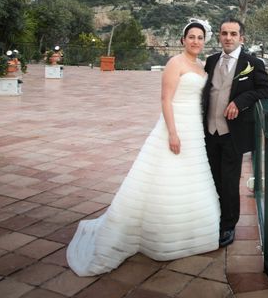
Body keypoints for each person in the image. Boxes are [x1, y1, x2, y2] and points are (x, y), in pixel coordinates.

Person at [67, 19, 219, 276]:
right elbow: (165, 99)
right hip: (176, 124)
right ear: (183, 40)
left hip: (194, 129)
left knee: (188, 177)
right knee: (166, 174)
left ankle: (189, 234)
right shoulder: (175, 63)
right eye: (191, 36)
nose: (195, 41)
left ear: (204, 42)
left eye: (200, 38)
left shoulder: (201, 66)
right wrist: (172, 132)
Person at [203, 18, 268, 247]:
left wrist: (240, 101)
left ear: (241, 38)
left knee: (230, 181)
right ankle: (214, 217)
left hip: (233, 133)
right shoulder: (211, 61)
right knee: (212, 177)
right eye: (224, 33)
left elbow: (266, 89)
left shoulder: (252, 63)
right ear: (219, 37)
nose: (228, 38)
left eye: (233, 34)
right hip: (209, 131)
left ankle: (228, 226)